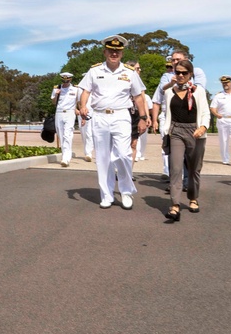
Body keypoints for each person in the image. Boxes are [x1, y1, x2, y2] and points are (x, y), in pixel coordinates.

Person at [77, 35, 149, 210]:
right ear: (105, 52)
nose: (114, 54)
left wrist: (143, 117)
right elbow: (85, 90)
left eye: (117, 51)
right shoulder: (94, 71)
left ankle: (125, 191)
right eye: (111, 51)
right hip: (100, 116)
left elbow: (138, 96)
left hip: (121, 116)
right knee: (103, 158)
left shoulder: (129, 73)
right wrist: (83, 106)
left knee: (123, 154)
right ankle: (107, 195)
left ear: (122, 53)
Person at [160, 59, 210, 220]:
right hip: (176, 131)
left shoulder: (198, 91)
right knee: (175, 168)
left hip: (195, 132)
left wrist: (202, 127)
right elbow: (165, 114)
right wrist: (165, 132)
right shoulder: (169, 92)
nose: (180, 75)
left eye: (184, 73)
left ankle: (193, 198)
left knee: (194, 169)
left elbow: (206, 113)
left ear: (190, 74)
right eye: (177, 72)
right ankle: (175, 205)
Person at [51, 72, 79, 166]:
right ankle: (65, 155)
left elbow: (78, 101)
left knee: (68, 135)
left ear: (70, 80)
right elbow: (53, 102)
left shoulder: (75, 89)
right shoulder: (57, 88)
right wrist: (56, 95)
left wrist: (79, 110)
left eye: (67, 81)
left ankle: (66, 158)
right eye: (64, 80)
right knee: (61, 135)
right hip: (59, 112)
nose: (65, 82)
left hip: (70, 112)